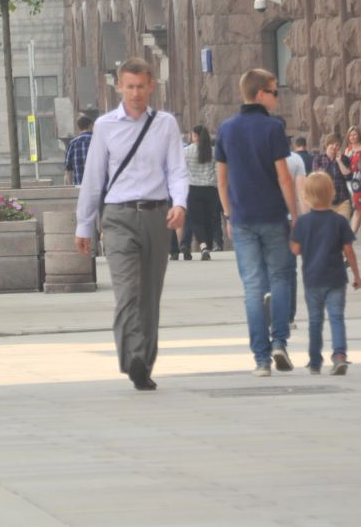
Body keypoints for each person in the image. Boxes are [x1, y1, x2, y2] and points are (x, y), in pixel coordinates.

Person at [75, 59, 188, 391]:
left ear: (151, 86)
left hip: (157, 214)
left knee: (150, 294)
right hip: (118, 217)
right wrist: (84, 225)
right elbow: (93, 178)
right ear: (119, 87)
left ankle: (144, 364)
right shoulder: (106, 126)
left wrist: (180, 203)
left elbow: (177, 169)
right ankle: (133, 356)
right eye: (130, 86)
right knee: (128, 292)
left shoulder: (165, 124)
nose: (136, 93)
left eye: (141, 86)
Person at [217, 68, 301, 377]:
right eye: (275, 91)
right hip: (273, 216)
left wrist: (228, 214)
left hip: (242, 219)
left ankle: (261, 360)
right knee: (280, 279)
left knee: (253, 287)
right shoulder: (272, 128)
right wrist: (295, 215)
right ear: (260, 94)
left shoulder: (226, 129)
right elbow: (283, 177)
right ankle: (279, 340)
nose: (278, 97)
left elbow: (221, 180)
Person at [290, 171, 361, 375]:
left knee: (315, 320)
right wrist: (357, 276)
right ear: (331, 193)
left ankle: (315, 360)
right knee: (337, 317)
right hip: (336, 278)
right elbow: (349, 250)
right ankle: (339, 355)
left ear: (306, 196)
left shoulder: (303, 223)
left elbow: (295, 250)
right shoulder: (339, 221)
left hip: (312, 279)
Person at [181, 125, 221, 260]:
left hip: (193, 189)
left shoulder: (186, 152)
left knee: (196, 220)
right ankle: (207, 246)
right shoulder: (213, 151)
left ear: (195, 136)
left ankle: (203, 247)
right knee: (209, 219)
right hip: (210, 190)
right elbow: (217, 172)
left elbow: (182, 171)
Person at [64, 112, 94, 186]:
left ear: (79, 127)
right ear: (90, 125)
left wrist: (70, 186)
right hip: (96, 187)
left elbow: (68, 168)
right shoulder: (97, 140)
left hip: (78, 188)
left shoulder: (72, 143)